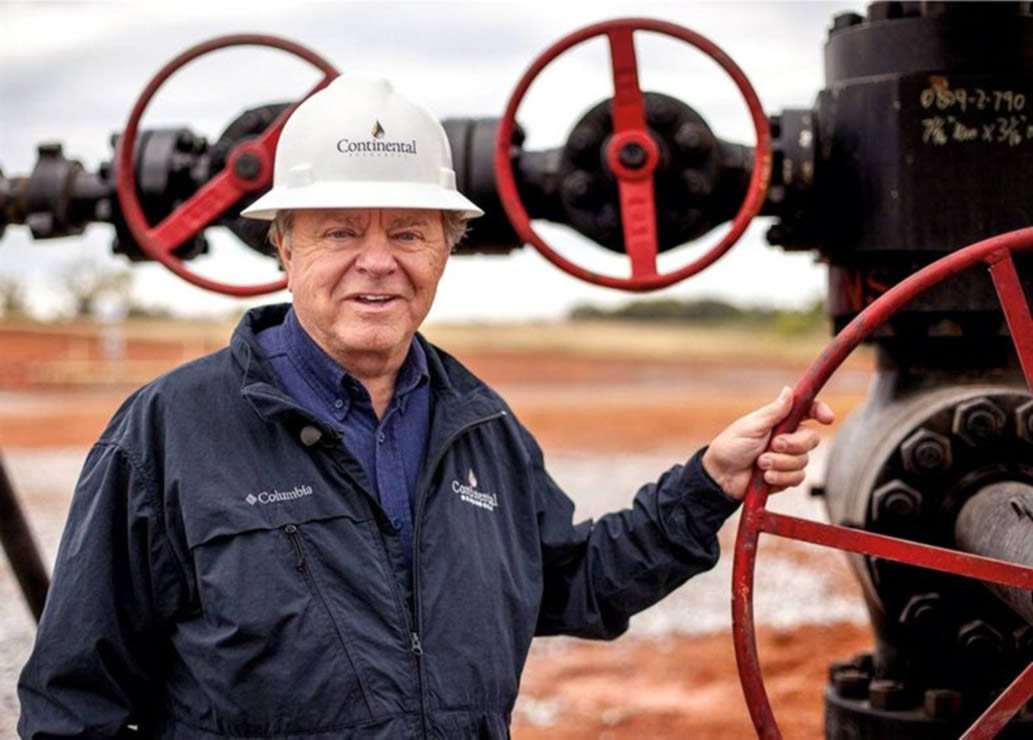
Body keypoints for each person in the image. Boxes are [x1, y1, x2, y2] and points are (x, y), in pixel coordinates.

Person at [18, 75, 833, 738]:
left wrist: (707, 484)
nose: (378, 262)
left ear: (447, 247)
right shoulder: (171, 432)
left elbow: (569, 583)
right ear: (284, 246)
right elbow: (74, 699)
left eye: (408, 232)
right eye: (341, 232)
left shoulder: (480, 428)